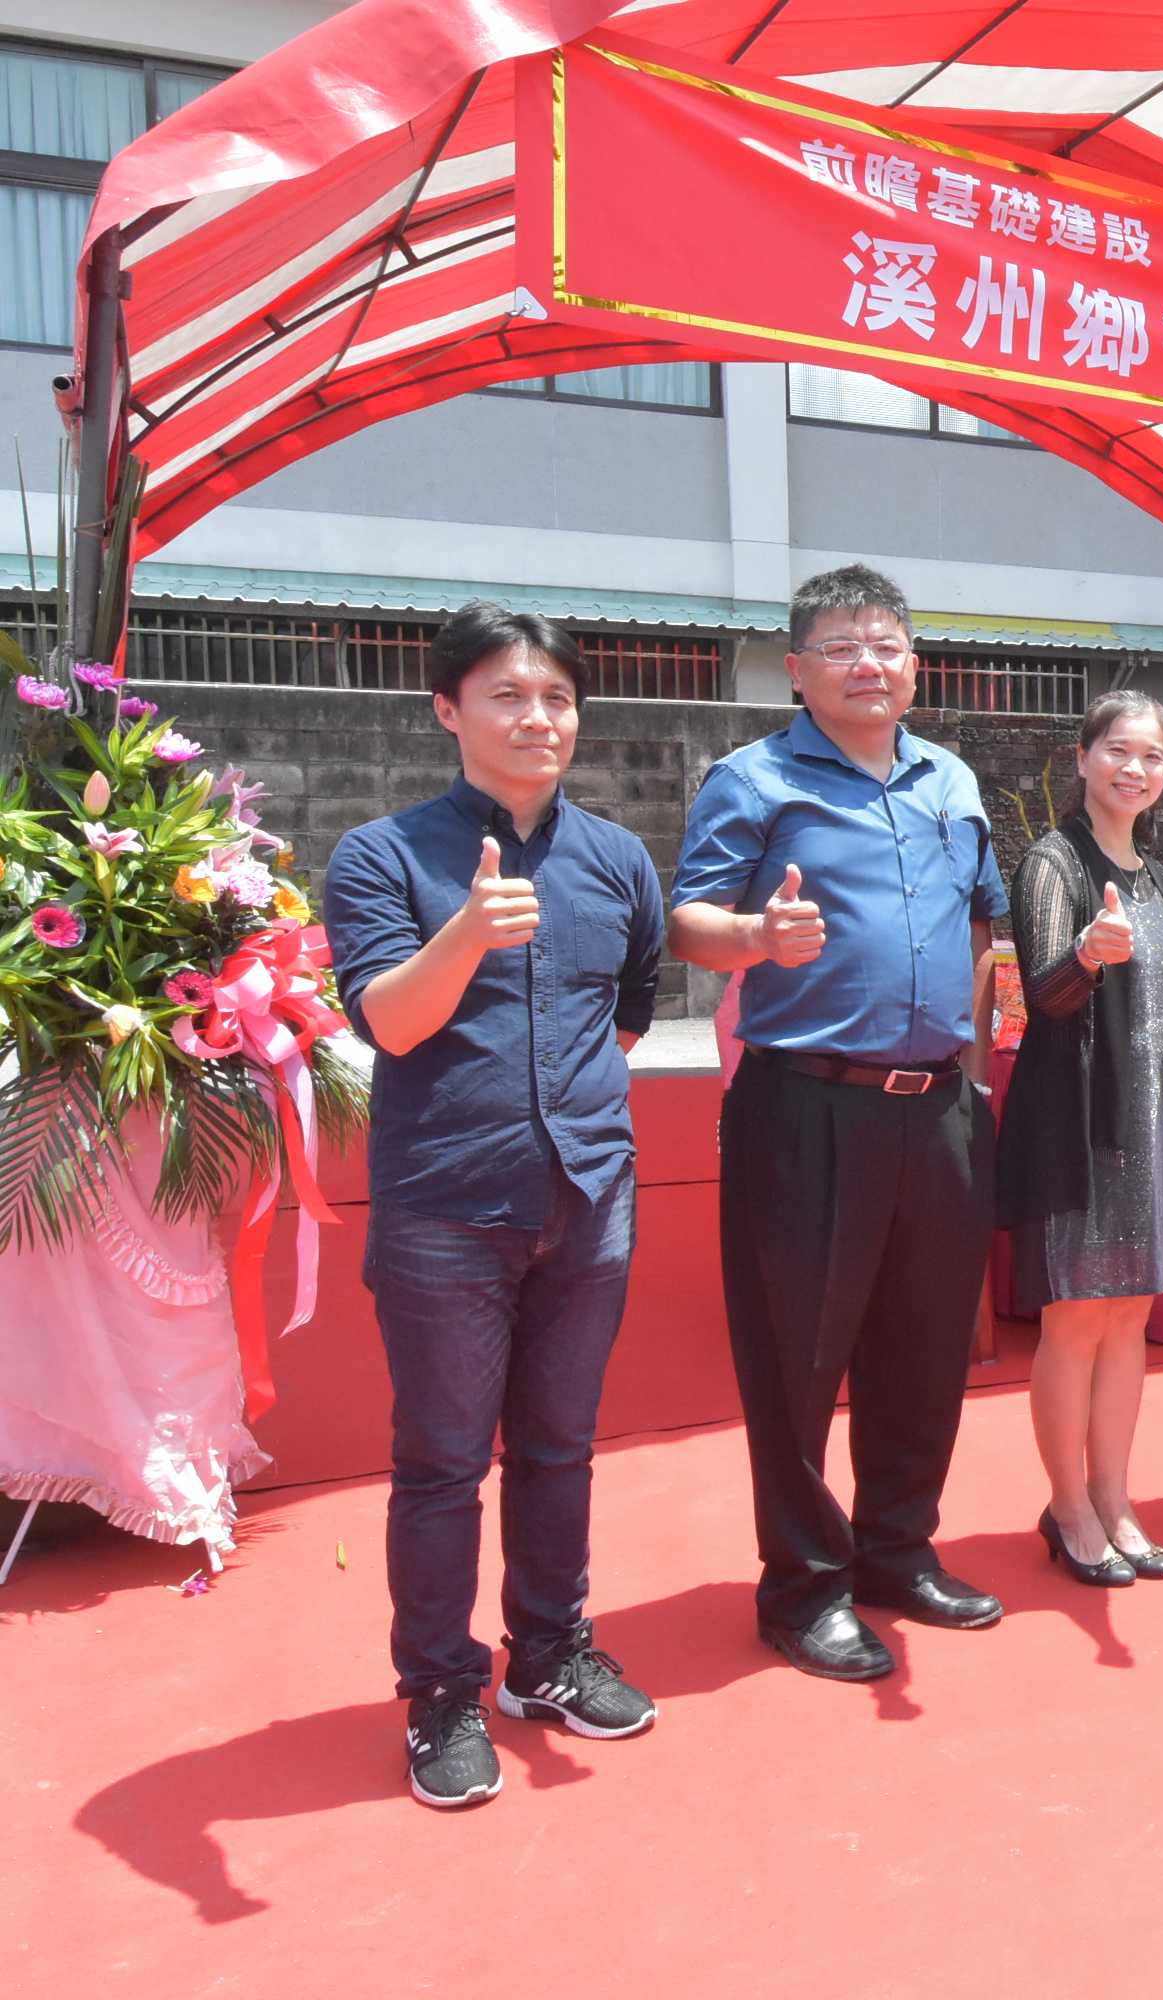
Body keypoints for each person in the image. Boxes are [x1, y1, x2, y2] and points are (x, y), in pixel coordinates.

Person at [324, 603, 664, 1809]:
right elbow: (392, 1022)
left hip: (587, 1198)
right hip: (443, 1212)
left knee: (562, 1448)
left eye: (557, 697)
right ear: (447, 711)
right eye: (508, 695)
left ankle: (550, 1652)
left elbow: (625, 1016)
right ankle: (440, 1694)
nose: (538, 717)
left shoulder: (618, 858)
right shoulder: (381, 856)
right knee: (441, 1464)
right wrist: (466, 931)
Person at [671, 564, 1007, 1682]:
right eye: (843, 645)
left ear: (915, 664)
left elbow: (976, 926)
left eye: (887, 644)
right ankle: (803, 1586)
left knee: (923, 1345)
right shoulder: (754, 778)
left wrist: (969, 1063)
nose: (869, 663)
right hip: (806, 1105)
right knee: (801, 1352)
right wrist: (758, 936)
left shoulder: (950, 780)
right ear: (798, 668)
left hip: (939, 1107)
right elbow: (689, 923)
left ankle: (898, 1550)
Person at [987, 691, 1163, 1587]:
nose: (1132, 768)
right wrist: (1088, 956)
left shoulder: (1161, 875)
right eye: (1116, 751)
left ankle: (1115, 1496)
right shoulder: (1052, 863)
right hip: (1084, 1126)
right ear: (1081, 757)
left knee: (1132, 1319)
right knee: (1075, 1322)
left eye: (1150, 756)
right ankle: (1067, 1504)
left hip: (1155, 1126)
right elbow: (1041, 997)